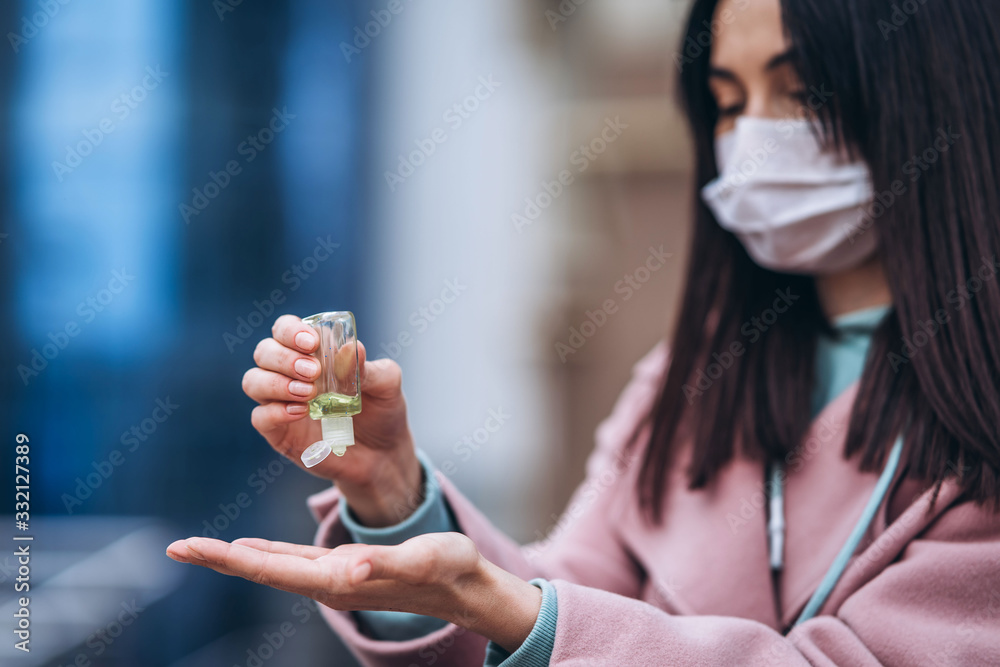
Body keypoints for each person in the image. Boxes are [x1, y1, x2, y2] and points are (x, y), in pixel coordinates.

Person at [167, 0, 1000, 664]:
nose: (751, 139)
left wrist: (520, 611)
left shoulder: (979, 402)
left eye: (802, 90)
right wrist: (391, 494)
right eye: (726, 101)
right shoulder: (692, 378)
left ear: (934, 94)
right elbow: (567, 597)